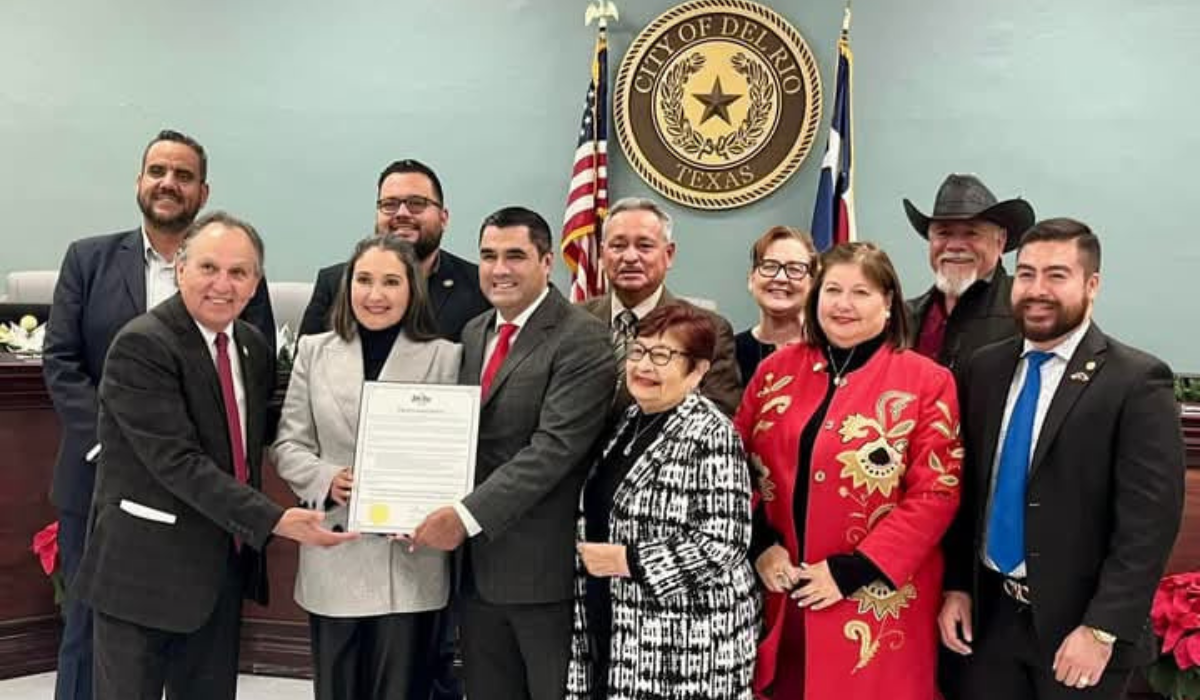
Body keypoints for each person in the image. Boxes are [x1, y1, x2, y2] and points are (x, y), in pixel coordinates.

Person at [70, 212, 354, 700]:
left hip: (219, 571)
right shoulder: (143, 345)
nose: (223, 284)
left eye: (239, 272)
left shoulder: (251, 347)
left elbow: (263, 439)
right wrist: (276, 520)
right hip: (143, 574)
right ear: (181, 268)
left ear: (255, 283)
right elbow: (179, 463)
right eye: (209, 267)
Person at [40, 129, 274, 700]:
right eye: (157, 171)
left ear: (202, 189)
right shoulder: (89, 258)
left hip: (204, 503)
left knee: (200, 643)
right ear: (140, 181)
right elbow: (62, 360)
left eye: (184, 175)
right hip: (99, 479)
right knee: (91, 637)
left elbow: (248, 378)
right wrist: (115, 440)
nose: (169, 183)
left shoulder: (233, 268)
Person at [939, 218, 1185, 700]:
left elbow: (1149, 524)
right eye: (1026, 274)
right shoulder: (983, 368)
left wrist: (1101, 629)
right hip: (990, 624)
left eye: (1056, 275)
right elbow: (965, 493)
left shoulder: (1136, 381)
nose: (1037, 289)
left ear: (1091, 285)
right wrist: (957, 588)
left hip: (1080, 633)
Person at [735, 241, 963, 700]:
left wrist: (852, 571)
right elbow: (732, 468)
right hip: (782, 595)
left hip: (874, 602)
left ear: (888, 302)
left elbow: (936, 494)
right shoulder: (774, 371)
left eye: (860, 292)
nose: (842, 304)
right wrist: (760, 544)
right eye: (832, 290)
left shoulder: (927, 381)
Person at [409, 206, 614, 700]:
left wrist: (463, 515)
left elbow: (553, 450)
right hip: (475, 571)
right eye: (488, 255)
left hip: (541, 572)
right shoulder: (477, 331)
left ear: (547, 262)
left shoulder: (581, 337)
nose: (499, 269)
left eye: (515, 256)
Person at [273, 235, 462, 700]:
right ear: (348, 285)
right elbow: (289, 443)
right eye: (364, 280)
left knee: (402, 688)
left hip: (410, 558)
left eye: (391, 282)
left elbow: (452, 452)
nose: (375, 294)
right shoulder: (315, 351)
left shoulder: (446, 356)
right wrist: (324, 478)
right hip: (337, 549)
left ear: (412, 289)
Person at [566, 302, 758, 700]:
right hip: (621, 622)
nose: (643, 366)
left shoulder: (710, 432)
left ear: (699, 370)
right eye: (638, 351)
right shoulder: (630, 421)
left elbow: (724, 540)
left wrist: (630, 561)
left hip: (686, 639)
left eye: (662, 355)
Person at [580, 197, 742, 415]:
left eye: (644, 246)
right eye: (618, 246)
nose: (629, 257)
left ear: (669, 254)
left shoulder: (709, 329)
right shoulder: (574, 319)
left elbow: (716, 418)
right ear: (601, 254)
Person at [299, 158, 490, 341]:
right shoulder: (334, 283)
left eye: (416, 203)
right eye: (390, 204)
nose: (402, 214)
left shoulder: (478, 286)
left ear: (443, 218)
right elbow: (306, 367)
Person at [904, 173, 1035, 372]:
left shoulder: (1027, 311)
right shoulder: (904, 318)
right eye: (944, 233)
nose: (955, 246)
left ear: (1000, 242)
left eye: (971, 233)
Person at [735, 226, 817, 383]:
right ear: (751, 279)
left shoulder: (829, 353)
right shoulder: (729, 352)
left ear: (812, 285)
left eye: (794, 269)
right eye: (770, 266)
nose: (780, 278)